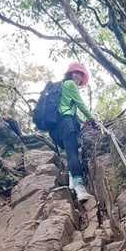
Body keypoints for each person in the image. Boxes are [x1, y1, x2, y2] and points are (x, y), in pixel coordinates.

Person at [49, 62, 99, 202]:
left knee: (70, 153)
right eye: (76, 73)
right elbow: (80, 104)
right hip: (67, 124)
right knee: (73, 154)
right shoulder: (70, 84)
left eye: (81, 74)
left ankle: (72, 182)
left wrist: (85, 122)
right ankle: (80, 189)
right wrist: (93, 120)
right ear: (70, 73)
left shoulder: (61, 88)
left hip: (57, 129)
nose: (78, 76)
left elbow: (73, 113)